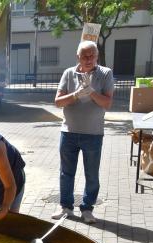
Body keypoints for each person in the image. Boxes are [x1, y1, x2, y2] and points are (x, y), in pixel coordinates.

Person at [52, 40, 113, 224]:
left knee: (91, 174)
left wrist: (91, 92)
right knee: (66, 173)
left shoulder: (105, 73)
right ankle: (66, 207)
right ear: (78, 56)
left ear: (97, 56)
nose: (88, 59)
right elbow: (58, 101)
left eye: (92, 55)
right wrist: (76, 94)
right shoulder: (69, 73)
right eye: (84, 56)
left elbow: (107, 104)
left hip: (93, 134)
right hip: (69, 132)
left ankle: (87, 209)